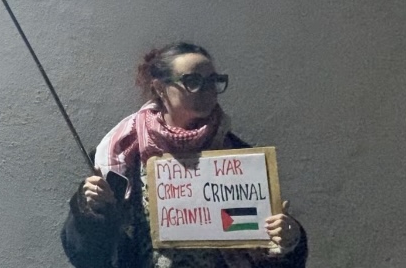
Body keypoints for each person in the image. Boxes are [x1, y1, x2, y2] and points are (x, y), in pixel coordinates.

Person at [61, 42, 308, 268]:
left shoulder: (239, 158)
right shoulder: (121, 158)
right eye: (193, 80)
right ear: (160, 88)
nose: (207, 90)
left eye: (213, 80)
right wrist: (91, 211)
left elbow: (266, 245)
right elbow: (87, 255)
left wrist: (289, 239)